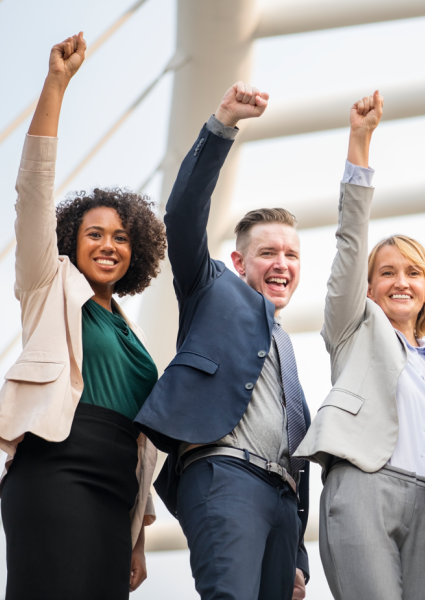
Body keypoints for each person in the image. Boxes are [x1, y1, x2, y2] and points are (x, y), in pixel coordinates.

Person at [0, 33, 165, 599]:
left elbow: (140, 441)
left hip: (117, 489)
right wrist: (56, 84)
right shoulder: (48, 283)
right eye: (95, 234)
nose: (109, 245)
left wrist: (138, 533)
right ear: (70, 241)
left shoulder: (132, 335)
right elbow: (32, 188)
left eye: (122, 237)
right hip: (56, 464)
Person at [133, 82, 311, 600]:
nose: (281, 264)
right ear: (237, 263)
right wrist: (222, 125)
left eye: (292, 256)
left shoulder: (286, 349)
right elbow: (183, 216)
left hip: (281, 501)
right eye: (267, 253)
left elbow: (295, 444)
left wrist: (297, 553)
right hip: (224, 474)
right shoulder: (211, 287)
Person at [293, 91, 425, 600]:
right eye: (387, 272)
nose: (401, 281)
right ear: (368, 289)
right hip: (365, 488)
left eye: (413, 272)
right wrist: (360, 142)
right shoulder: (355, 329)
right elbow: (352, 240)